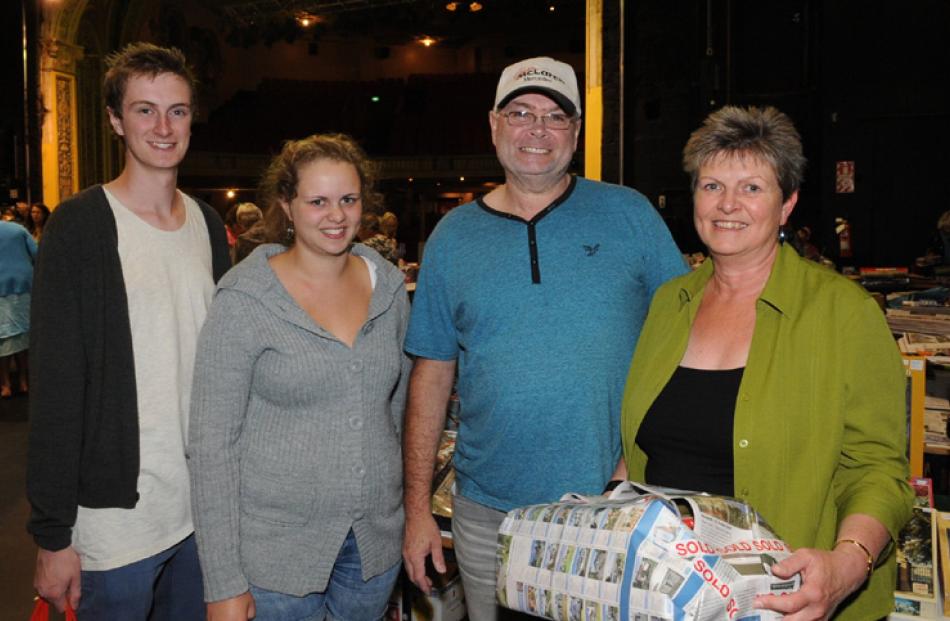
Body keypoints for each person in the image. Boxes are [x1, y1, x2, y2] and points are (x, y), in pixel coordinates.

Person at [402, 56, 686, 620]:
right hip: (487, 516)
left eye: (555, 117)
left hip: (609, 509)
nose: (537, 129)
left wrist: (642, 454)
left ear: (576, 134)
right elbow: (431, 377)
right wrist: (415, 512)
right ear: (493, 124)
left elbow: (687, 340)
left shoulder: (628, 216)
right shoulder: (453, 237)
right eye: (521, 113)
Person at [620, 106, 912, 620]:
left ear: (787, 204)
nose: (728, 204)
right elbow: (642, 445)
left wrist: (848, 564)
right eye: (711, 186)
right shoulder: (670, 303)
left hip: (783, 599)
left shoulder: (844, 313)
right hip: (666, 593)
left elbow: (877, 468)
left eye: (752, 188)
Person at [26, 42, 230, 619]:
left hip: (199, 515)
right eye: (145, 110)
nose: (163, 127)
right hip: (114, 525)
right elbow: (57, 388)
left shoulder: (209, 226)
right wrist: (52, 534)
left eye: (178, 110)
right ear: (116, 120)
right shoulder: (80, 227)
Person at [189, 133, 411, 621]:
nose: (337, 215)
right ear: (287, 206)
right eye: (318, 201)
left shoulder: (390, 289)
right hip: (276, 557)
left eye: (348, 199)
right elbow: (211, 447)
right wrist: (223, 581)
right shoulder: (245, 299)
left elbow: (395, 411)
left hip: (373, 549)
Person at [0, 219, 36, 398]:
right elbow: (37, 253)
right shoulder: (18, 229)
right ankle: (23, 381)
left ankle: (5, 384)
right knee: (23, 334)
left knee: (3, 336)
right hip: (22, 285)